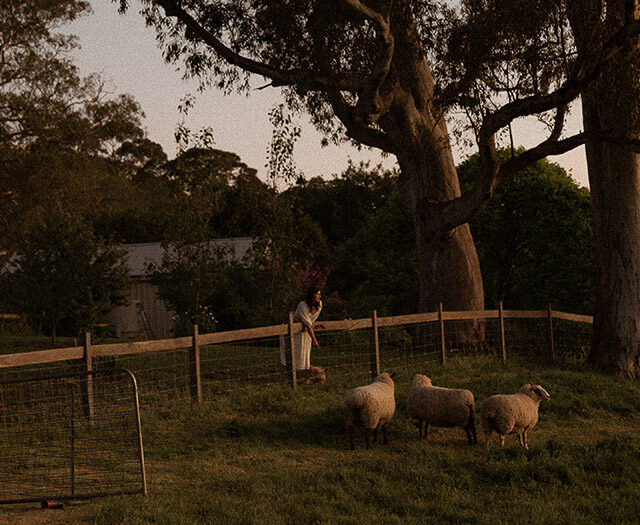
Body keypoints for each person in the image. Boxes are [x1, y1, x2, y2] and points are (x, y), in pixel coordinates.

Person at [280, 287, 325, 383]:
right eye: (317, 294)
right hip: (294, 331)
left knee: (303, 355)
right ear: (312, 295)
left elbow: (310, 321)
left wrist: (304, 321)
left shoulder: (319, 305)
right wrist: (315, 340)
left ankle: (303, 377)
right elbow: (307, 324)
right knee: (292, 353)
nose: (319, 296)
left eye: (319, 294)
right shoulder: (303, 305)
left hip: (304, 332)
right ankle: (291, 377)